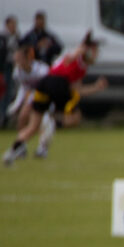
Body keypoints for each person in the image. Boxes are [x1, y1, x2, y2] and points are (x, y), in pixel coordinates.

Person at [3, 33, 106, 167]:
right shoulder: (77, 58)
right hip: (57, 84)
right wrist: (82, 47)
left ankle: (10, 153)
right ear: (88, 51)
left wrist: (96, 88)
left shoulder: (81, 68)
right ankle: (52, 122)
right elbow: (69, 58)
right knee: (75, 118)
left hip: (44, 85)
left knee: (33, 126)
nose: (96, 55)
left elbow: (77, 90)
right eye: (95, 52)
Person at [5, 42, 55, 158]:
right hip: (33, 98)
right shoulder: (18, 72)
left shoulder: (42, 70)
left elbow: (50, 88)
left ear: (27, 58)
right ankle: (21, 147)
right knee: (22, 117)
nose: (17, 62)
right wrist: (16, 104)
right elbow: (23, 88)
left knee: (44, 123)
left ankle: (42, 148)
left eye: (19, 59)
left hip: (45, 99)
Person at [1, 15, 19, 125]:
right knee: (3, 92)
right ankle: (2, 115)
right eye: (12, 24)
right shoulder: (3, 37)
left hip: (12, 67)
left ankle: (6, 116)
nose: (14, 27)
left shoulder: (16, 37)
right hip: (4, 68)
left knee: (10, 92)